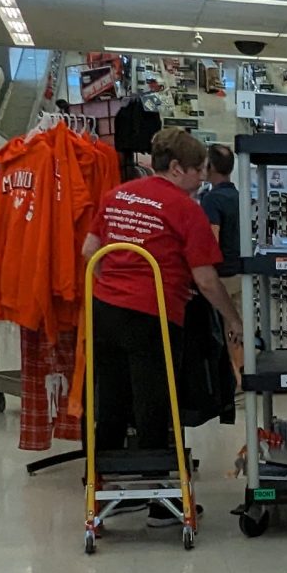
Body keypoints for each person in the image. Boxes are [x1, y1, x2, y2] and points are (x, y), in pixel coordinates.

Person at [82, 128, 244, 501]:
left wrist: (115, 285)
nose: (202, 178)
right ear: (175, 168)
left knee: (110, 397)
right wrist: (232, 318)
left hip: (104, 311)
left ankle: (99, 486)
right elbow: (205, 280)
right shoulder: (185, 209)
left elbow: (90, 251)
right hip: (153, 313)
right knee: (154, 401)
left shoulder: (116, 195)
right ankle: (157, 497)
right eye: (198, 170)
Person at [199, 143, 241, 275]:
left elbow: (211, 242)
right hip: (238, 270)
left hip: (221, 274)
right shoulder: (238, 196)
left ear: (210, 166)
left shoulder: (212, 199)